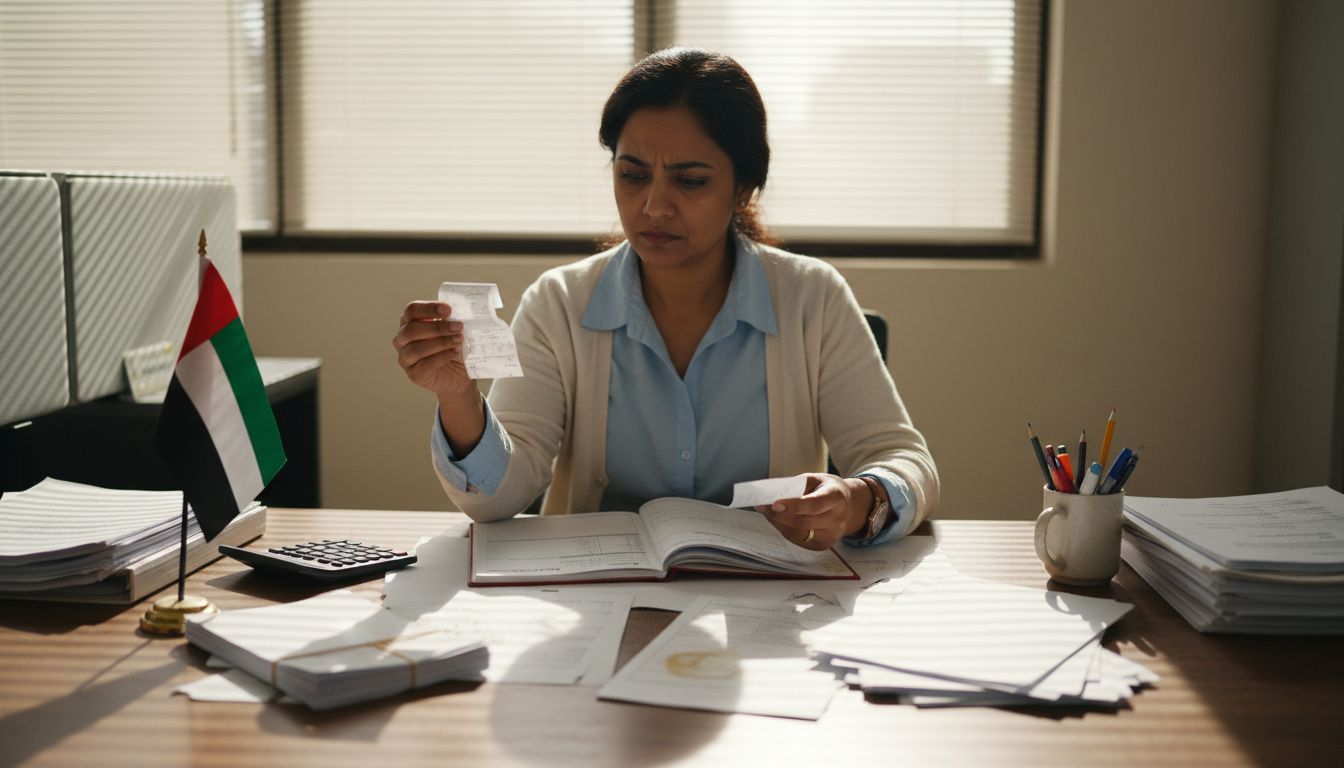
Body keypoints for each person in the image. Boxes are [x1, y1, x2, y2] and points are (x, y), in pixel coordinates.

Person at [392, 47, 938, 550]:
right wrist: (459, 396)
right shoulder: (559, 303)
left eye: (690, 181)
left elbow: (904, 461)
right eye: (632, 175)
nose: (654, 207)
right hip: (600, 596)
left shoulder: (812, 298)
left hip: (767, 598)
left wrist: (859, 498)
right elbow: (498, 498)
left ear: (743, 188)